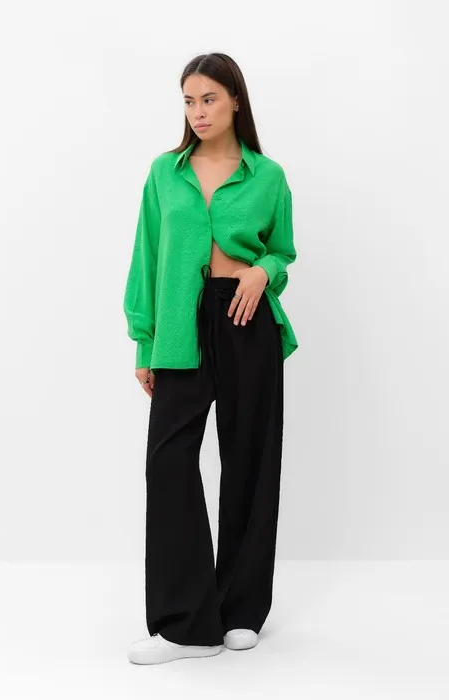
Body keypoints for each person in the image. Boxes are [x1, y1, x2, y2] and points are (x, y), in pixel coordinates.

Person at [123, 52, 298, 665]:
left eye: (209, 99)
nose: (198, 112)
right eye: (189, 101)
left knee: (250, 460)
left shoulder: (267, 175)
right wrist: (144, 341)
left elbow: (282, 252)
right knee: (169, 462)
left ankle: (241, 608)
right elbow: (147, 257)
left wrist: (262, 272)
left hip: (247, 320)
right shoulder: (164, 173)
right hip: (179, 323)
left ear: (235, 102)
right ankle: (185, 626)